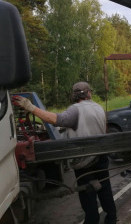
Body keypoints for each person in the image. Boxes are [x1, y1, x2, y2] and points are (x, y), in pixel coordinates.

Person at [12, 82, 117, 224]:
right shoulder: (98, 107)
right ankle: (111, 218)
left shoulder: (76, 110)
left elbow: (56, 119)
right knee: (105, 189)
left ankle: (92, 221)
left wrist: (31, 108)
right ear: (88, 93)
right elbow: (103, 130)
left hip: (84, 161)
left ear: (74, 95)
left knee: (88, 194)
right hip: (101, 156)